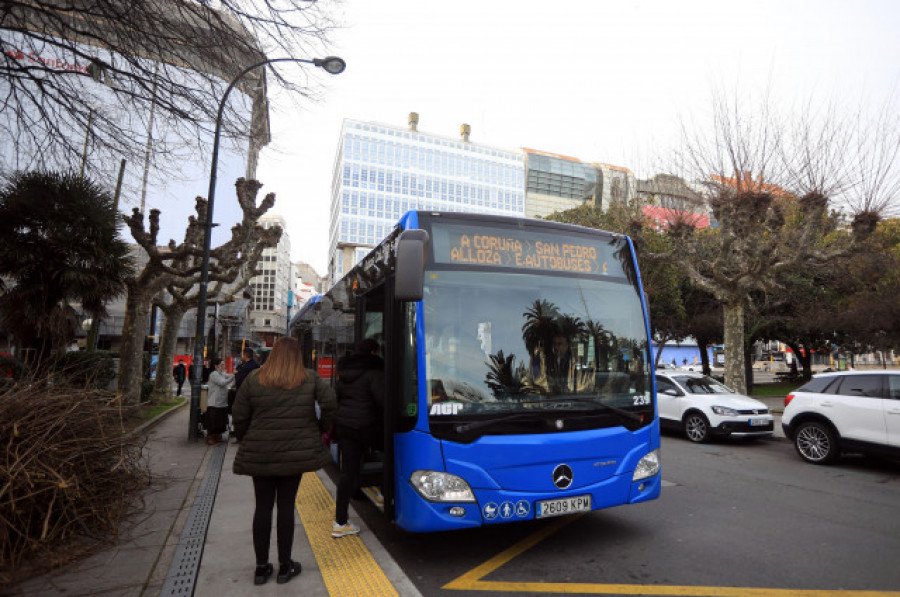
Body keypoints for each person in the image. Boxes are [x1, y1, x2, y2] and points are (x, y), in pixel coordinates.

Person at [232, 337, 336, 585]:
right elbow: (330, 403)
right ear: (297, 355)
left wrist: (249, 436)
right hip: (296, 452)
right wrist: (321, 428)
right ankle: (285, 566)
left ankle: (260, 568)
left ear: (273, 354)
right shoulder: (309, 377)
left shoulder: (254, 378)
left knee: (263, 506)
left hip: (261, 452)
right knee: (287, 506)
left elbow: (238, 413)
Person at [333, 338, 384, 538]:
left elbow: (338, 398)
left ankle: (340, 522)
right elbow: (382, 401)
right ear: (373, 353)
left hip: (346, 427)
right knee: (391, 451)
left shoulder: (344, 374)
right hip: (367, 426)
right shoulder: (374, 373)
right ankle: (383, 493)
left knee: (347, 474)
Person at [205, 357, 233, 445]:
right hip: (215, 403)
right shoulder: (214, 374)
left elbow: (227, 376)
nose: (223, 366)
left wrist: (233, 375)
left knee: (221, 421)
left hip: (222, 402)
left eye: (223, 365)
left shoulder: (221, 373)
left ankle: (217, 436)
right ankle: (211, 437)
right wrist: (233, 377)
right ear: (216, 366)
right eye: (221, 365)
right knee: (214, 421)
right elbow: (222, 383)